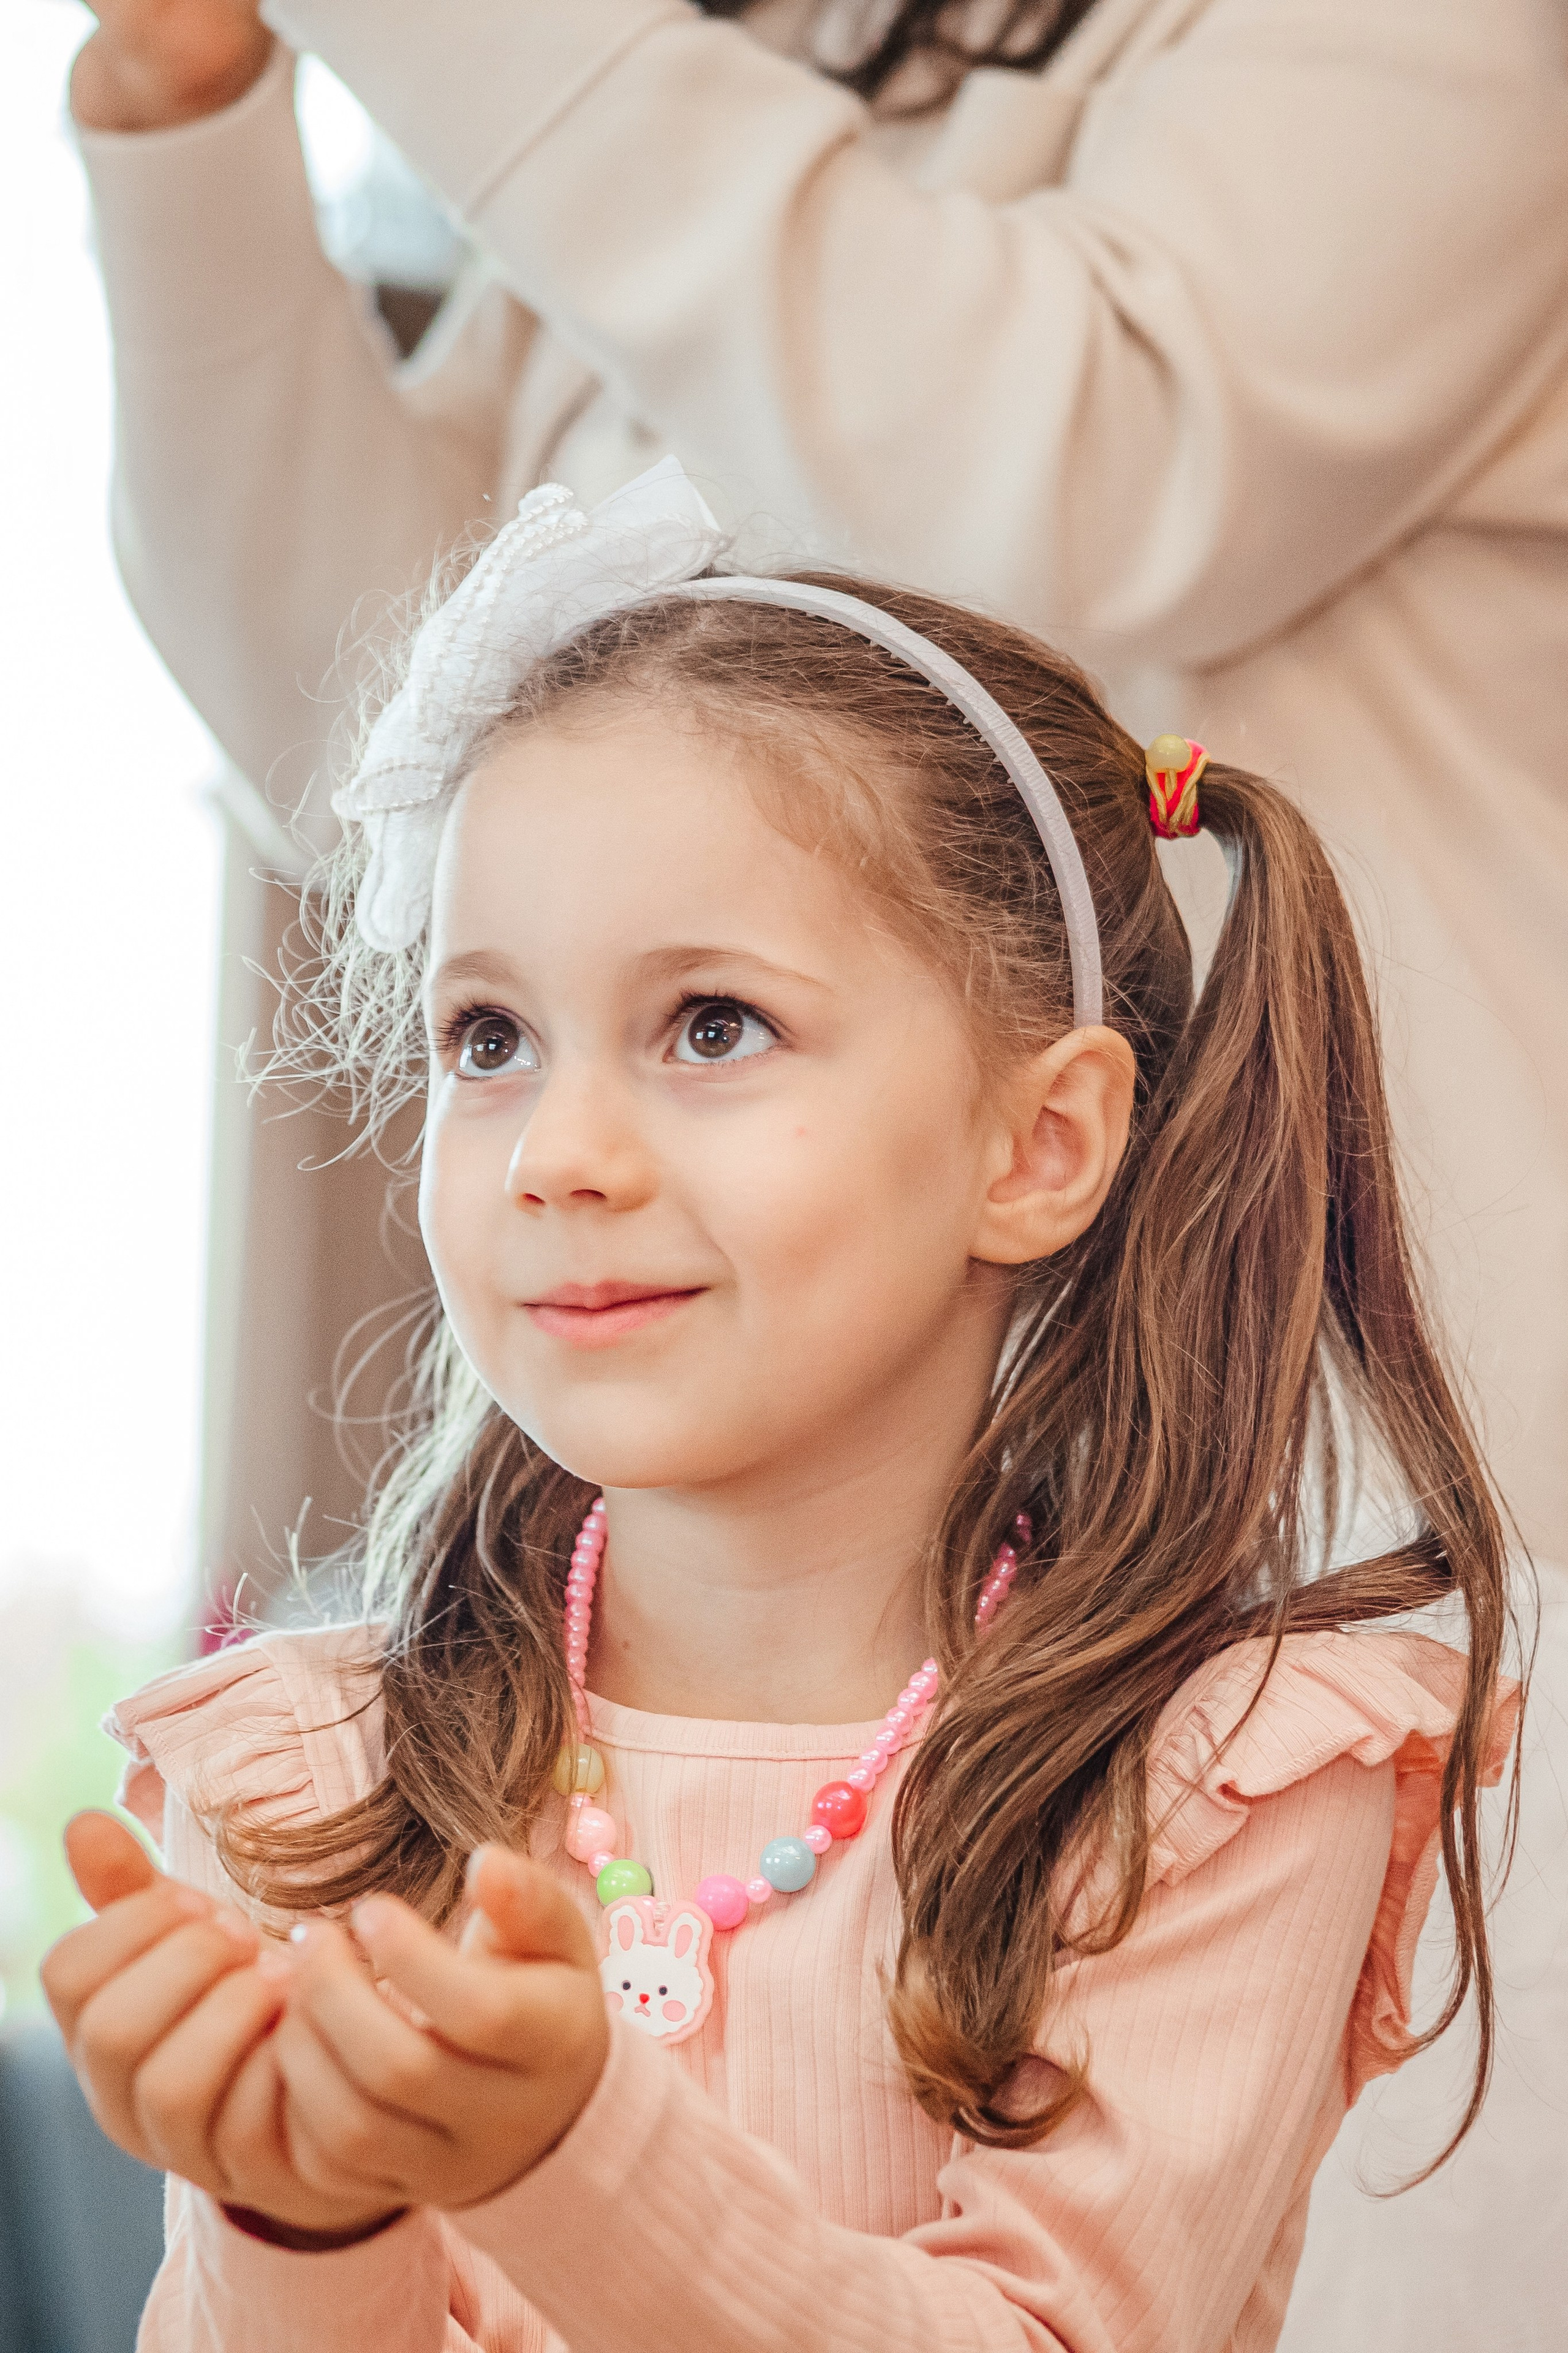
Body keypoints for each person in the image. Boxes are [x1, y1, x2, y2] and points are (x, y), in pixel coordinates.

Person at [42, 464, 1518, 2353]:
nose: (558, 1152)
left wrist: (565, 2148)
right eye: (489, 1037)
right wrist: (302, 2214)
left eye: (712, 1025)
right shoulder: (309, 1779)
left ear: (1039, 1141)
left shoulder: (1213, 1785)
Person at [64, 0, 1568, 1571]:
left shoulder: (1416, 35)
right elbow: (385, 744)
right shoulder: (742, 74)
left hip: (1343, 1470)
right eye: (490, 1038)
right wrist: (193, 119)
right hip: (785, 1566)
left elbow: (1053, 495)